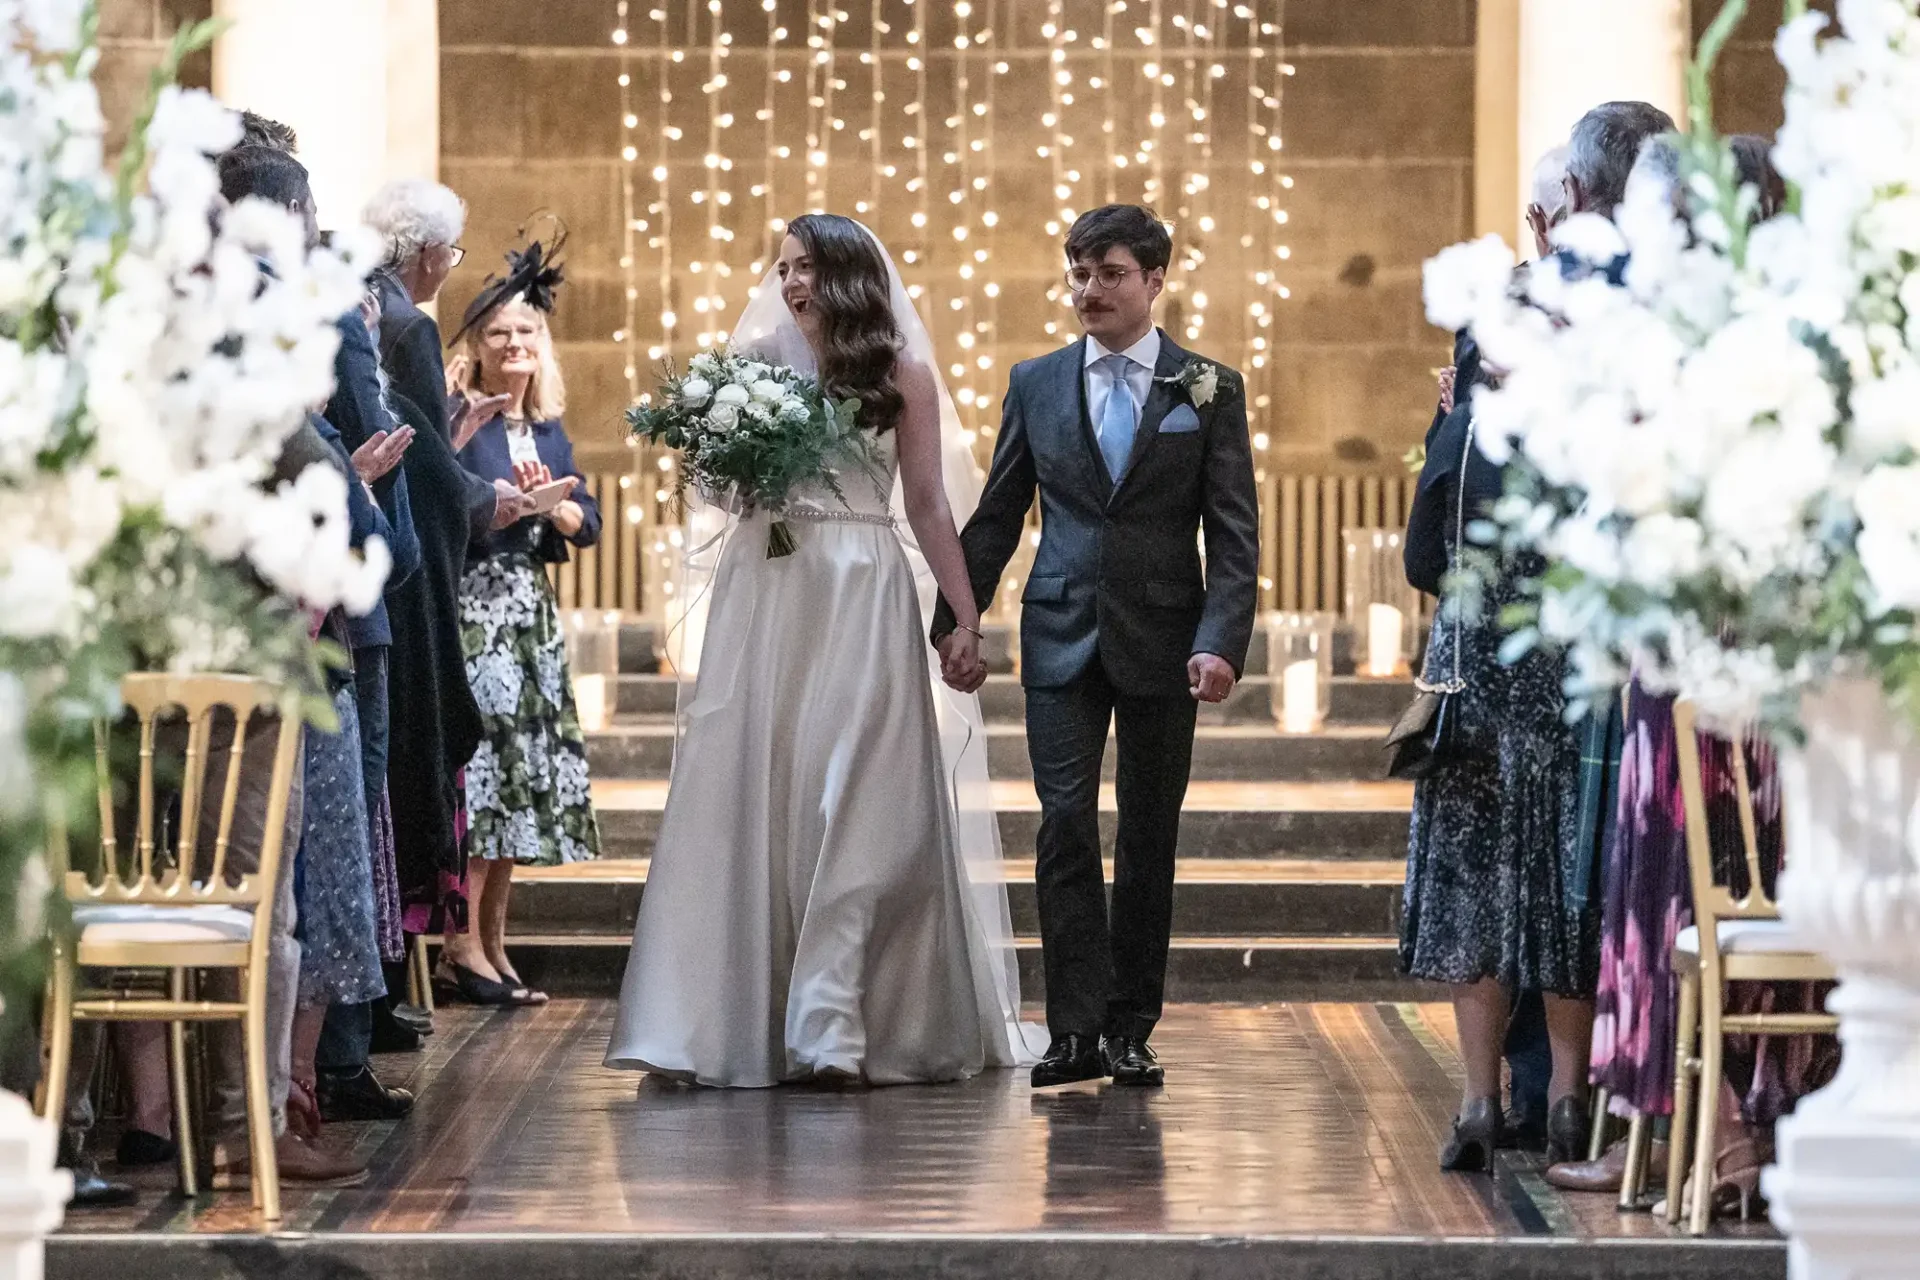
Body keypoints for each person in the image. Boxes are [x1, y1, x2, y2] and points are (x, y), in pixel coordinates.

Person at [605, 213, 1036, 1087]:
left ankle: (834, 1018)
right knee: (759, 787)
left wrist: (963, 616)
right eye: (784, 267)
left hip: (862, 586)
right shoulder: (752, 372)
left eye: (806, 268)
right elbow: (719, 494)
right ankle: (732, 1017)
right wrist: (724, 454)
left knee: (864, 789)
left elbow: (926, 504)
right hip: (769, 594)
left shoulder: (903, 377)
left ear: (846, 278)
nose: (791, 283)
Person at [1399, 101, 1676, 1175]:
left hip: (1477, 636)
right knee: (1563, 867)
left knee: (1472, 866)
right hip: (1577, 632)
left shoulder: (1495, 318)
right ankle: (1565, 1099)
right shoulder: (1645, 318)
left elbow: (1437, 526)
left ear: (1563, 206)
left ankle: (1477, 1101)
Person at [931, 204, 1262, 1090]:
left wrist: (1222, 640)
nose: (1089, 291)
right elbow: (998, 513)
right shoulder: (1035, 382)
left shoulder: (1210, 388)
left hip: (1165, 638)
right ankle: (1072, 1029)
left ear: (1156, 280)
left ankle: (1130, 1027)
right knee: (1065, 826)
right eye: (1078, 272)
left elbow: (1233, 533)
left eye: (1110, 273)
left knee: (1150, 833)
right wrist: (957, 620)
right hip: (1061, 632)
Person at [361, 179, 526, 987]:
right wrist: (482, 495)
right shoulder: (408, 326)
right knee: (411, 760)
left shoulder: (371, 311)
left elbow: (416, 441)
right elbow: (424, 473)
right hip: (408, 573)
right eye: (450, 255)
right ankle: (389, 983)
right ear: (427, 252)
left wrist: (449, 443)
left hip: (381, 559)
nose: (448, 270)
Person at [438, 235, 603, 1004]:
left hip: (527, 609)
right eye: (498, 331)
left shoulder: (547, 426)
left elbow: (588, 515)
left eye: (526, 331)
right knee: (486, 776)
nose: (513, 343)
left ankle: (496, 946)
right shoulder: (460, 417)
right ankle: (459, 945)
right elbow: (450, 507)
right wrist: (510, 505)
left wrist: (562, 507)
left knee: (517, 782)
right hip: (477, 607)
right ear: (476, 343)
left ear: (544, 345)